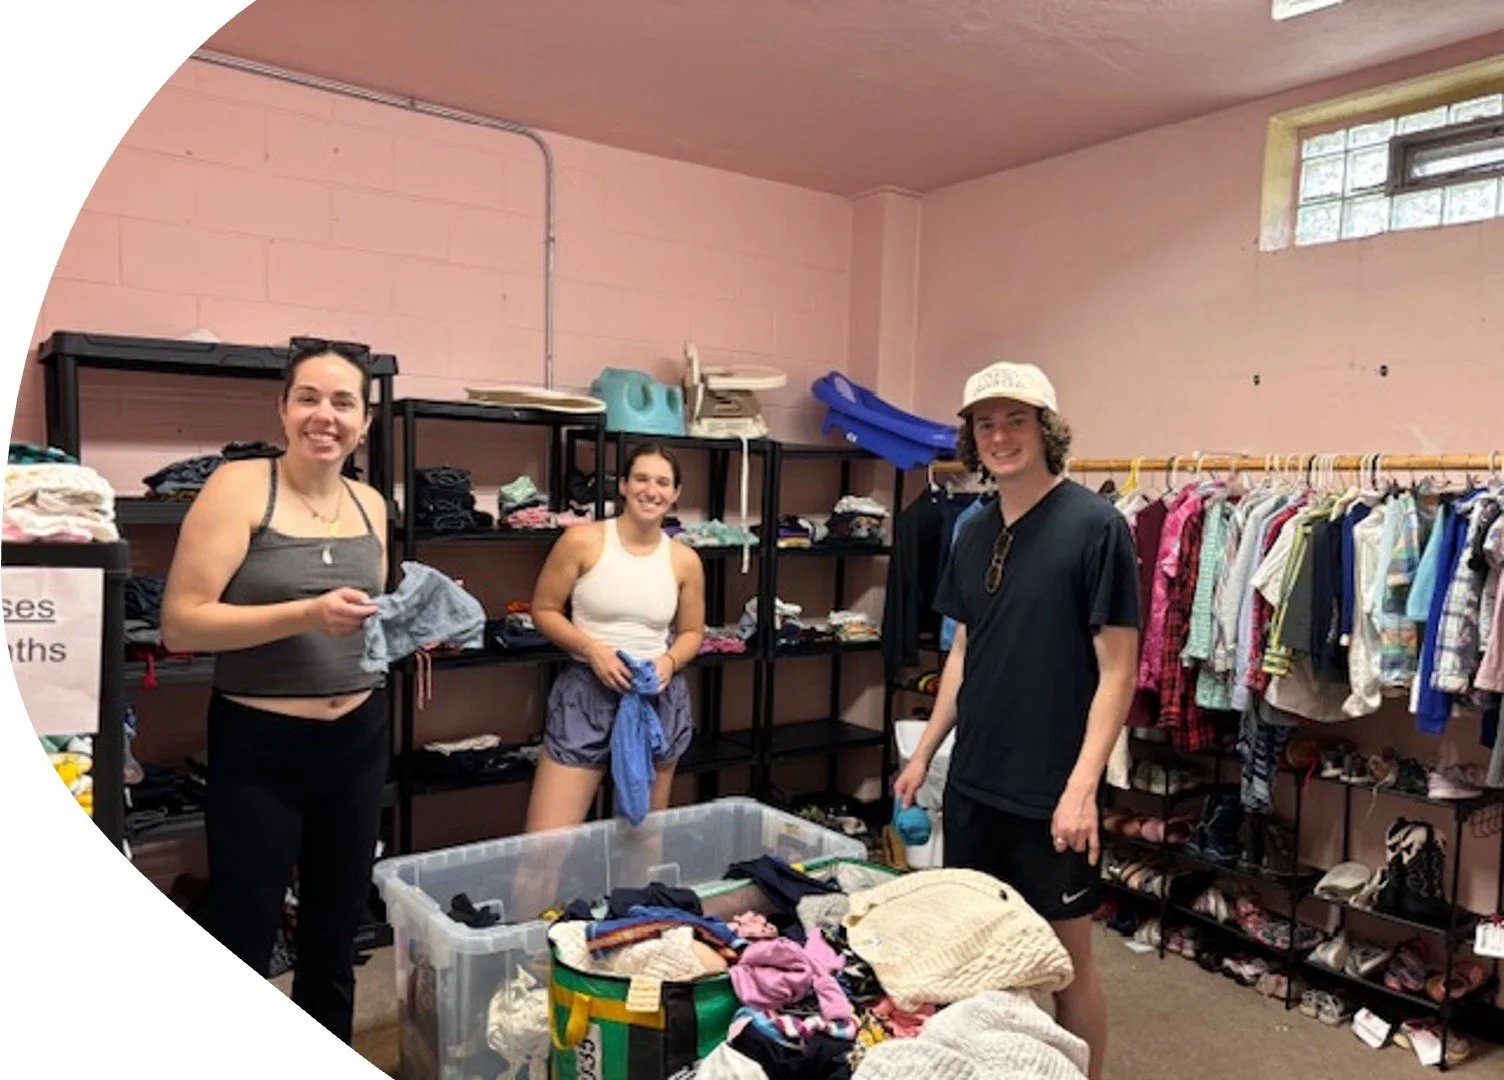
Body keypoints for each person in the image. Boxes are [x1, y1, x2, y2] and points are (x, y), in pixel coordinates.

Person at [893, 361, 1139, 1080]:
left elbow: (1119, 672)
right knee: (978, 950)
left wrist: (1081, 789)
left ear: (1046, 429)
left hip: (1051, 791)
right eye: (985, 424)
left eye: (1016, 420)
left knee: (1066, 963)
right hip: (974, 782)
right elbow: (964, 650)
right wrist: (925, 753)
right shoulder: (972, 530)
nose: (999, 436)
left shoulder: (1097, 527)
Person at [160, 339, 389, 1044]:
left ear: (365, 422)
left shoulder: (371, 503)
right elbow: (180, 623)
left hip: (358, 738)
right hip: (262, 747)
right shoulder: (239, 487)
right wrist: (306, 614)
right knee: (244, 934)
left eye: (344, 402)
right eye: (308, 398)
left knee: (335, 934)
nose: (326, 416)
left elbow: (367, 618)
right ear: (283, 409)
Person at [524, 442, 706, 832]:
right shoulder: (582, 541)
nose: (651, 491)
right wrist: (592, 649)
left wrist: (669, 661)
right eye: (641, 479)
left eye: (663, 483)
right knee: (546, 842)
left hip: (655, 696)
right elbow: (544, 610)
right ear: (622, 485)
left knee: (643, 838)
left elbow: (692, 632)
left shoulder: (684, 560)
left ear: (675, 493)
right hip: (587, 692)